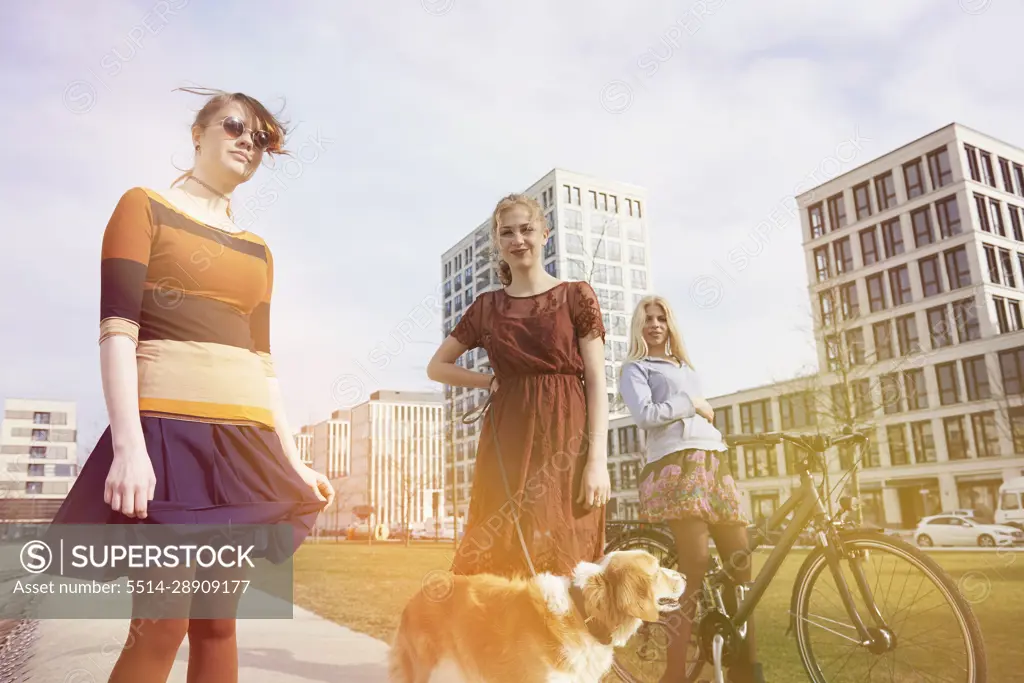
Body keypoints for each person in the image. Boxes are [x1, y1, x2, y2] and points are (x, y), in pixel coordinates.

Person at [50, 87, 334, 683]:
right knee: (161, 626)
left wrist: (293, 457)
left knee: (218, 625)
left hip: (243, 451)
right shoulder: (143, 207)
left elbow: (264, 363)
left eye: (261, 139)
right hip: (167, 442)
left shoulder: (258, 251)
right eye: (234, 127)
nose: (247, 144)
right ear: (198, 134)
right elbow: (117, 330)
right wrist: (129, 447)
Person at [426, 193, 611, 579]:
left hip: (567, 438)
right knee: (504, 548)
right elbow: (437, 367)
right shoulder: (486, 307)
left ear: (545, 233)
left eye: (526, 229)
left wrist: (597, 461)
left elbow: (596, 382)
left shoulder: (576, 296)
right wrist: (490, 380)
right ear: (498, 242)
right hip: (506, 439)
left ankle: (561, 639)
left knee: (565, 551)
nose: (518, 239)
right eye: (507, 232)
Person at [618, 295, 765, 683]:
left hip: (712, 460)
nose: (654, 324)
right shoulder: (635, 368)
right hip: (673, 465)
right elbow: (646, 415)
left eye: (661, 317)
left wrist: (703, 416)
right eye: (647, 318)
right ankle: (674, 672)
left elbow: (698, 409)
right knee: (695, 562)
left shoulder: (685, 365)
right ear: (638, 326)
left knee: (741, 561)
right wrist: (692, 403)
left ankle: (745, 670)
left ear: (670, 324)